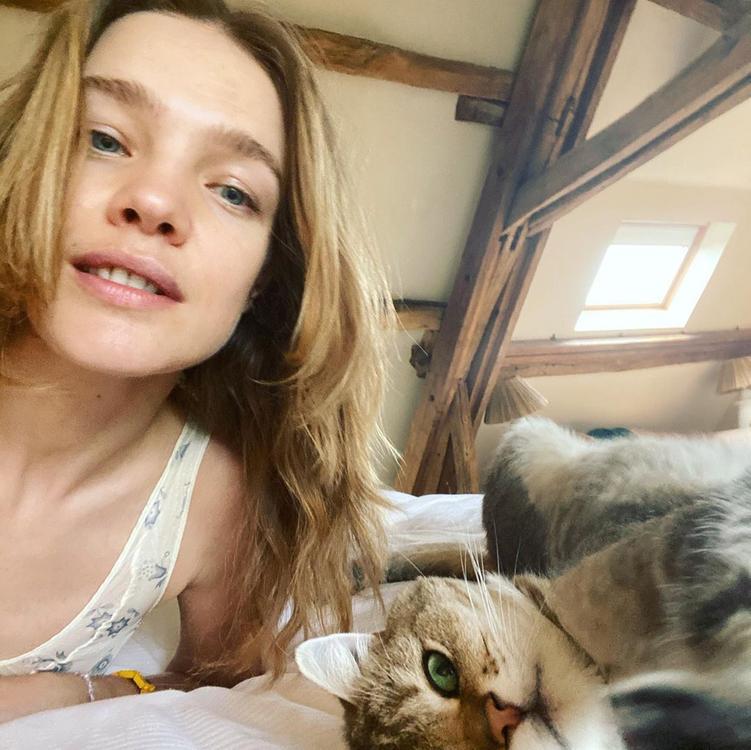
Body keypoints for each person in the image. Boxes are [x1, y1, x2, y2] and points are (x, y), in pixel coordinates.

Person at [0, 0, 392, 722]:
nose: (153, 201)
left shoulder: (215, 502)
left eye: (233, 192)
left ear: (265, 279)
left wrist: (86, 691)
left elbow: (213, 687)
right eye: (105, 140)